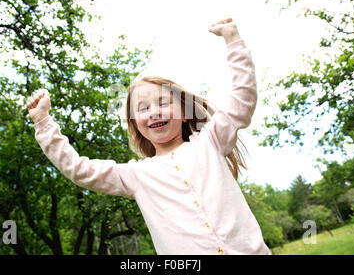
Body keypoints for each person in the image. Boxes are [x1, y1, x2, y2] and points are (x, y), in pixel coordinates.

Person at [27, 17, 271, 255]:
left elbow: (242, 100)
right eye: (143, 108)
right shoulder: (137, 175)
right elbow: (79, 169)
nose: (154, 112)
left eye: (163, 103)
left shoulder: (211, 140)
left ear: (184, 112)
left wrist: (233, 41)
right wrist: (44, 124)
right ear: (137, 125)